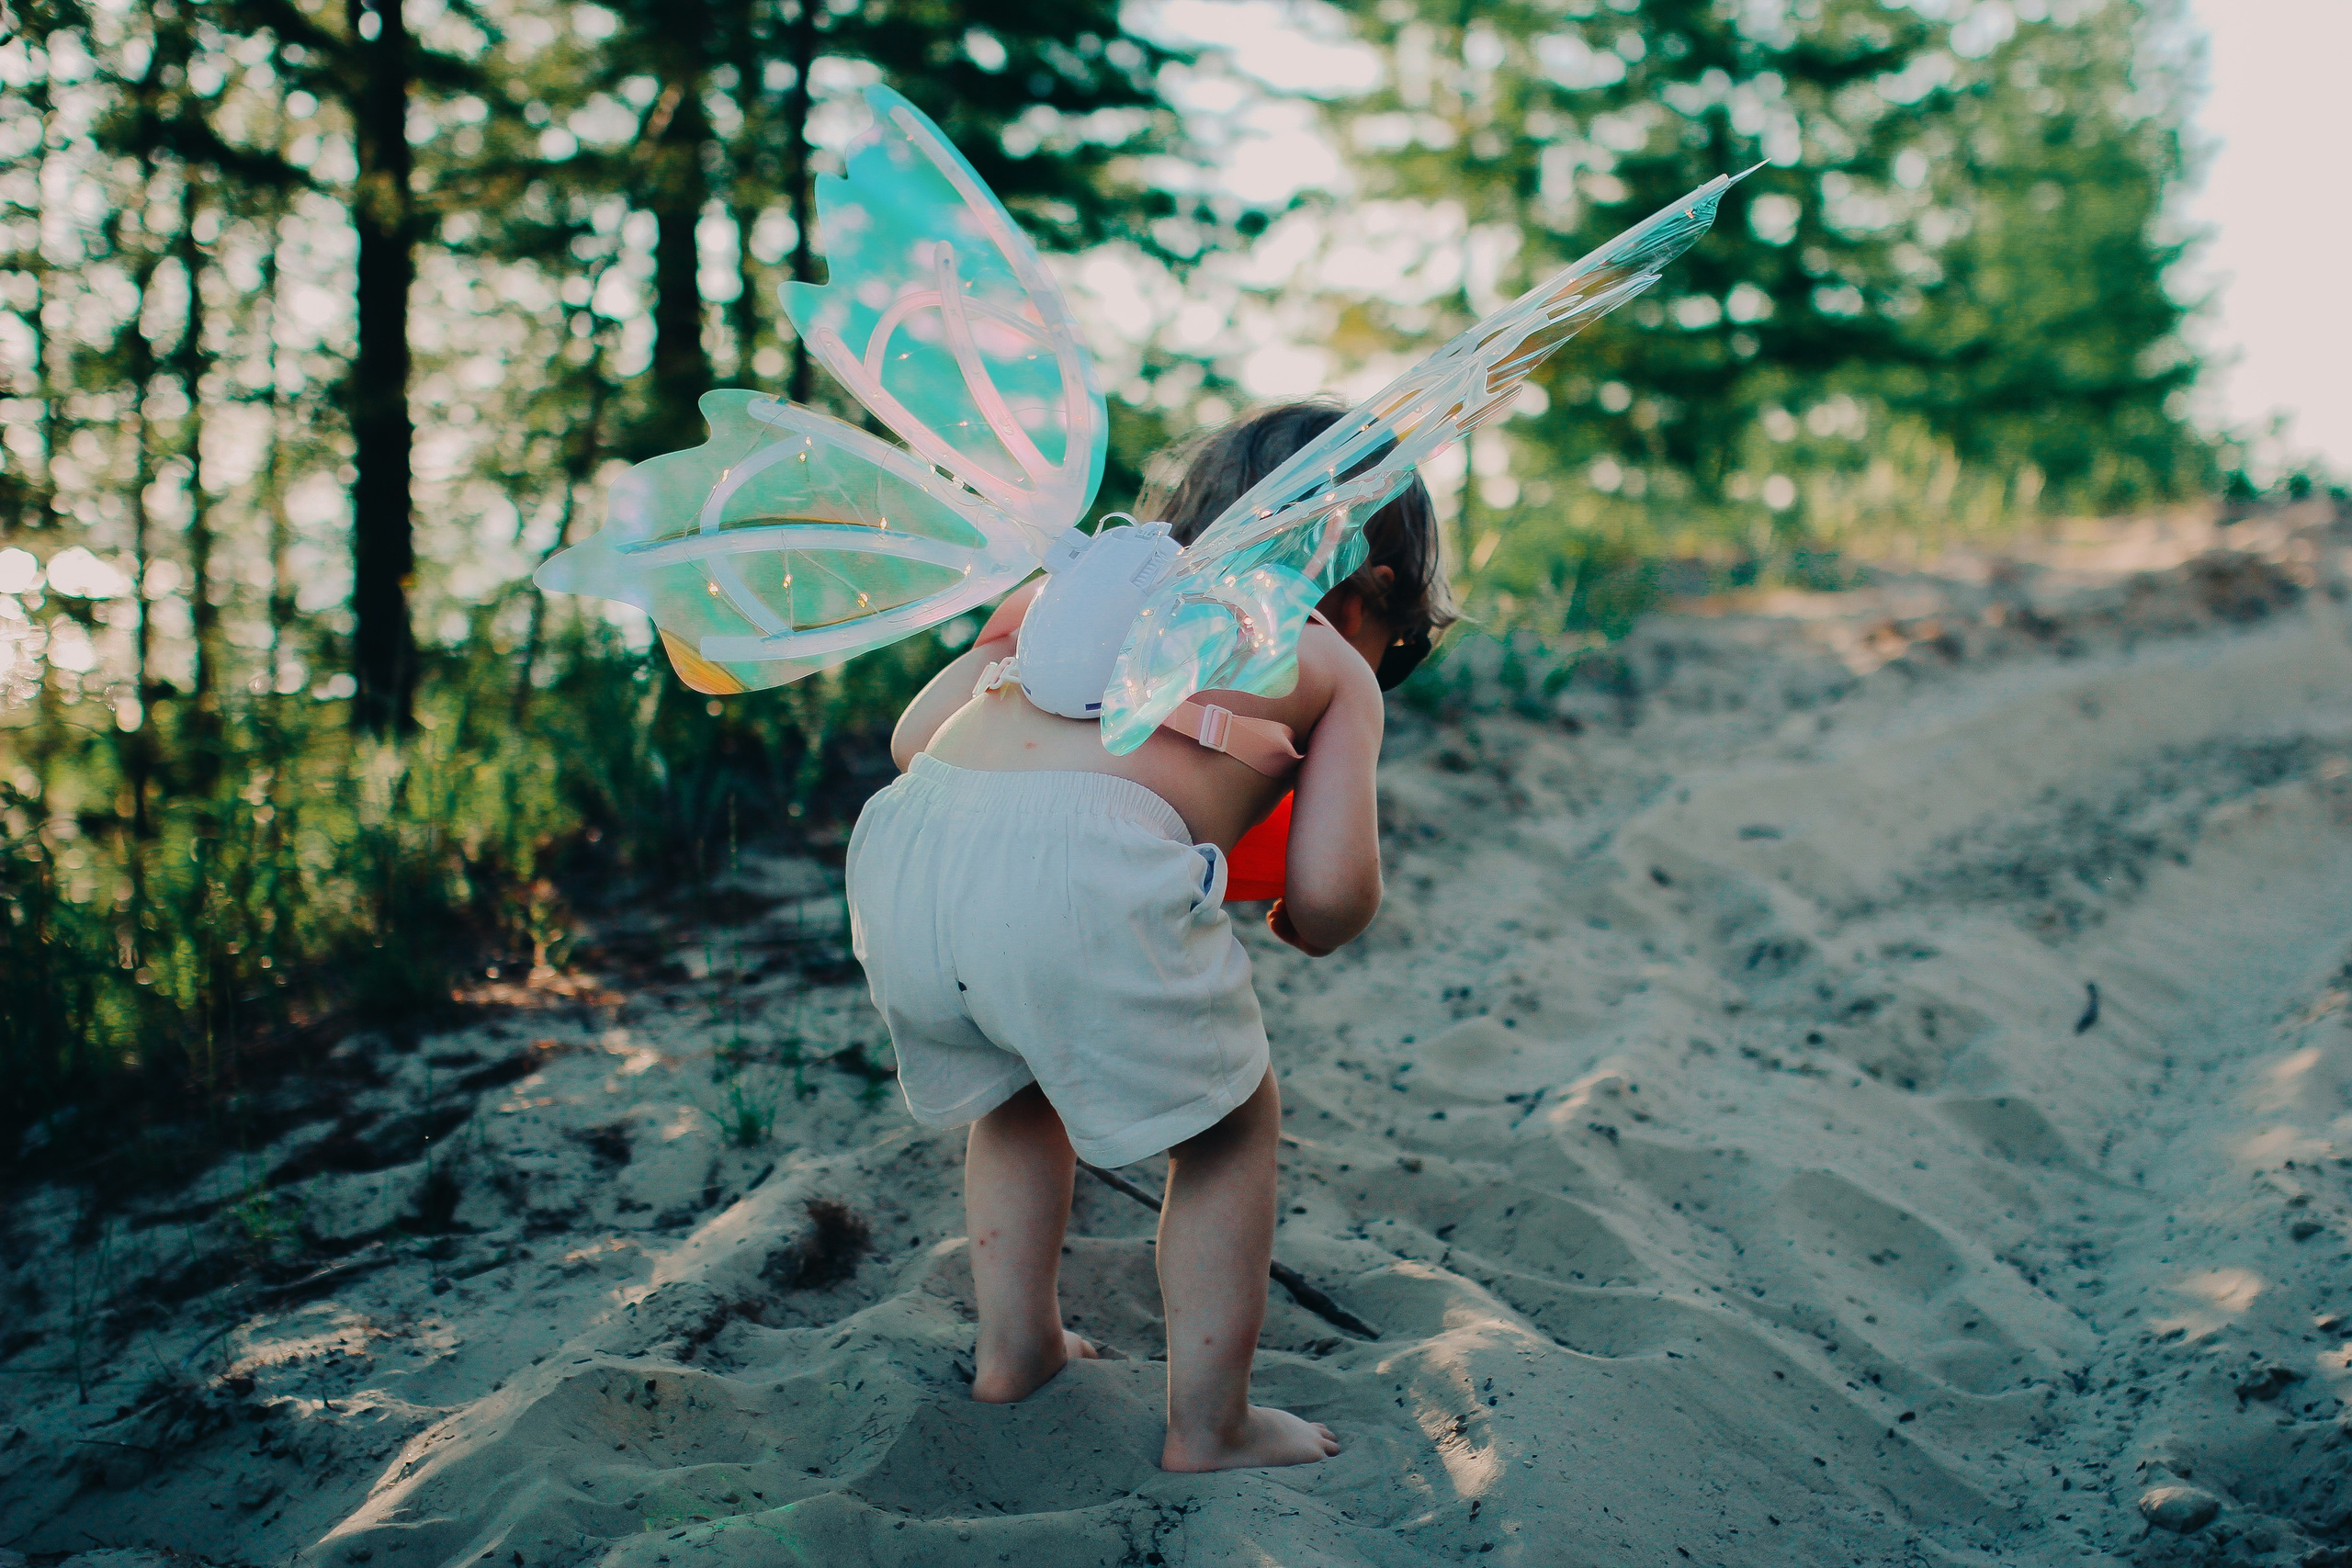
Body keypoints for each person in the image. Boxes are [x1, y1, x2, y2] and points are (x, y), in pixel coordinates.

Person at [844, 401, 1457, 1472]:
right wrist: (1305, 920)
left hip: (910, 859)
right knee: (1227, 1133)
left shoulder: (1069, 594)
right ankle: (1210, 1425)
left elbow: (910, 740)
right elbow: (1329, 892)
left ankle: (1016, 1347)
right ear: (1373, 590)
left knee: (1013, 1089)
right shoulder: (1327, 660)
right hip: (1080, 880)